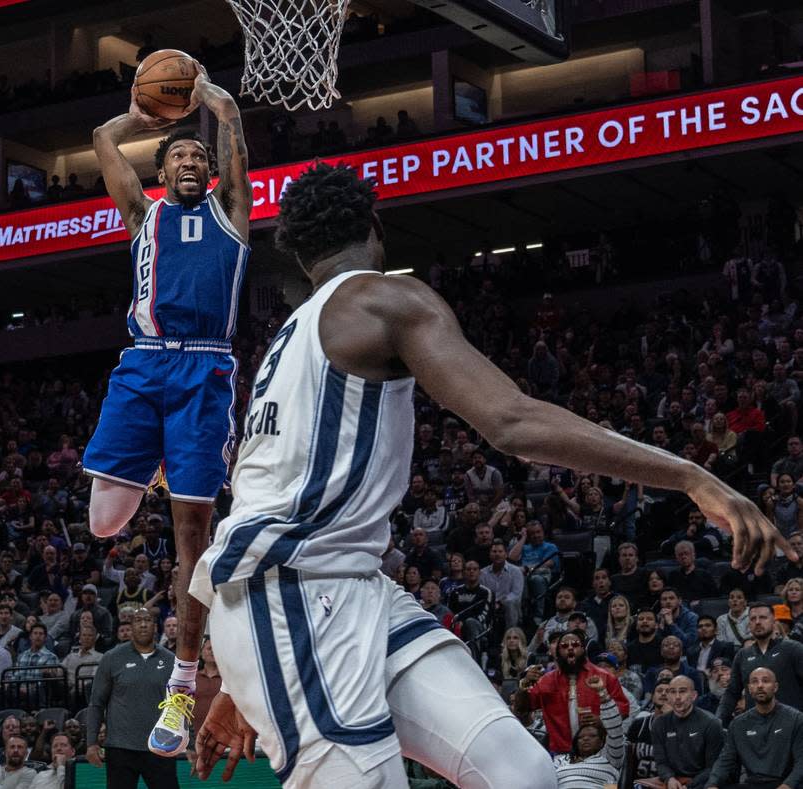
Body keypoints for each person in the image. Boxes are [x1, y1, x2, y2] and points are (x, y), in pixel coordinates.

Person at [190, 163, 788, 789]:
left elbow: (258, 492)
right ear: (373, 225)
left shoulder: (290, 338)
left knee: (520, 772)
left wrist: (247, 667)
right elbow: (511, 421)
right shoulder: (384, 298)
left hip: (341, 590)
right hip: (290, 597)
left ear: (300, 252)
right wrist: (692, 475)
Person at [85, 55, 252, 758]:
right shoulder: (142, 214)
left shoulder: (231, 213)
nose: (188, 160)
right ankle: (157, 468)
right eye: (177, 155)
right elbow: (102, 136)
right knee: (103, 523)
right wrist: (144, 113)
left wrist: (221, 110)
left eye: (197, 156)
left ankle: (183, 683)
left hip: (205, 369)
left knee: (192, 539)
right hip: (144, 363)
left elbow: (234, 151)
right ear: (161, 173)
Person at [85, 608, 176, 787]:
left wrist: (190, 744)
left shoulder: (170, 660)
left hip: (160, 747)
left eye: (148, 620)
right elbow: (96, 703)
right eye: (138, 621)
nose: (143, 624)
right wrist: (91, 743)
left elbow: (180, 706)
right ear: (131, 626)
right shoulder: (112, 658)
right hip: (120, 748)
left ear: (155, 626)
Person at [513, 630, 630, 756]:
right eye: (564, 646)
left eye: (575, 645)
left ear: (583, 649)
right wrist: (525, 685)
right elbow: (522, 709)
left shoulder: (604, 677)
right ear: (557, 653)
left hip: (599, 751)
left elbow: (623, 709)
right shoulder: (547, 680)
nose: (570, 648)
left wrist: (602, 720)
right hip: (559, 753)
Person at [707, 667, 803, 789]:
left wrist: (787, 785)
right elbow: (725, 760)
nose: (760, 685)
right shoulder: (738, 724)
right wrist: (712, 784)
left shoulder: (796, 718)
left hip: (786, 783)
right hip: (752, 784)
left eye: (765, 681)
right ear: (749, 689)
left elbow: (801, 761)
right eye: (754, 681)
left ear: (776, 687)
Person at [716, 602, 803, 725]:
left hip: (792, 725)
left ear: (773, 621)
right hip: (755, 727)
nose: (757, 622)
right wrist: (718, 720)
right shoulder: (742, 655)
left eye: (763, 617)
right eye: (753, 619)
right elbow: (732, 693)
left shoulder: (793, 649)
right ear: (749, 624)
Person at [650, 675, 724, 789]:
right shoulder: (659, 724)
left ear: (694, 696)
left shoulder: (712, 723)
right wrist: (669, 778)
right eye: (673, 692)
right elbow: (661, 762)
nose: (677, 697)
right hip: (672, 781)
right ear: (669, 696)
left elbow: (713, 767)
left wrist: (690, 786)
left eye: (682, 691)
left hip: (701, 782)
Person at [551, 674, 625, 788]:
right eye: (580, 737)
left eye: (592, 736)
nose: (585, 738)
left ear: (602, 741)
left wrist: (602, 693)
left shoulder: (610, 757)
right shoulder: (561, 760)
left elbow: (615, 727)